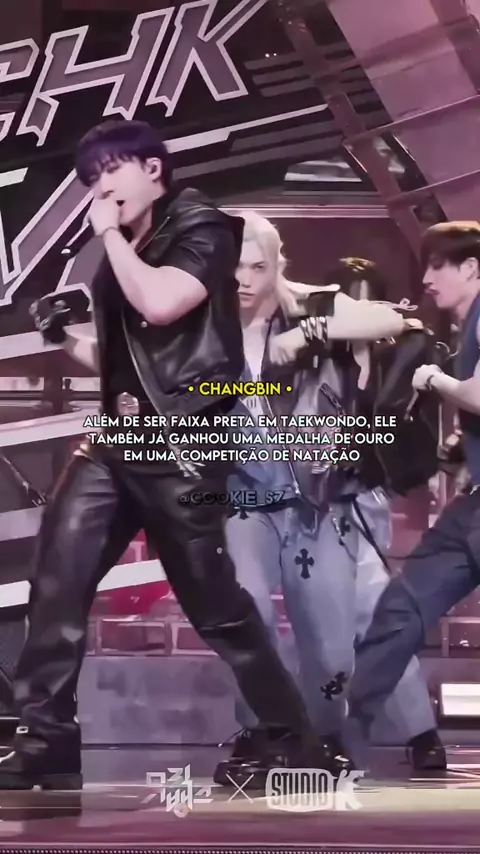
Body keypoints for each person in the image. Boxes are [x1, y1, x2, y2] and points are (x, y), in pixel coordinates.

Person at [1, 120, 349, 791]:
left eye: (111, 170)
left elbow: (162, 305)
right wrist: (63, 335)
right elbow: (133, 359)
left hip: (182, 444)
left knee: (214, 602)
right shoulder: (127, 248)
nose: (100, 186)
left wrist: (107, 237)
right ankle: (45, 740)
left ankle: (292, 738)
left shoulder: (203, 226)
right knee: (57, 579)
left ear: (153, 169)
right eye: (90, 178)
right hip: (117, 439)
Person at [214, 215, 442, 786]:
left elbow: (396, 320)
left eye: (258, 266)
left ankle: (319, 737)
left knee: (332, 645)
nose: (244, 279)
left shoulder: (313, 304)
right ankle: (260, 732)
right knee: (248, 616)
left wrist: (311, 333)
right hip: (246, 497)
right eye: (235, 267)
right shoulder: (204, 323)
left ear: (277, 266)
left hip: (320, 500)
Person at [347, 222, 480, 750]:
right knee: (401, 608)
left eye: (437, 266)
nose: (426, 278)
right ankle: (341, 741)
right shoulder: (466, 327)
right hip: (471, 511)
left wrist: (434, 380)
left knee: (400, 609)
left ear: (471, 268)